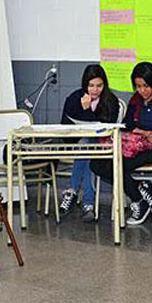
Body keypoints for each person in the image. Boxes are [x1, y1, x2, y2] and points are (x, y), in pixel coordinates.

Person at [90, 62, 152, 225]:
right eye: (138, 86)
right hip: (136, 147)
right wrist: (136, 133)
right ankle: (141, 192)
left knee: (119, 164)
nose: (142, 91)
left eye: (146, 86)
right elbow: (127, 124)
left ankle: (140, 199)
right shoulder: (136, 100)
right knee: (97, 164)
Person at [59, 64, 120, 222]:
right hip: (75, 143)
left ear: (104, 85)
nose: (95, 90)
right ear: (85, 85)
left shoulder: (111, 101)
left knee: (88, 145)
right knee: (87, 148)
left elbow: (108, 127)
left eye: (99, 85)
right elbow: (65, 127)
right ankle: (88, 205)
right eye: (91, 85)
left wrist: (87, 111)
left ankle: (72, 191)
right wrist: (82, 108)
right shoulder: (74, 98)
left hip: (101, 145)